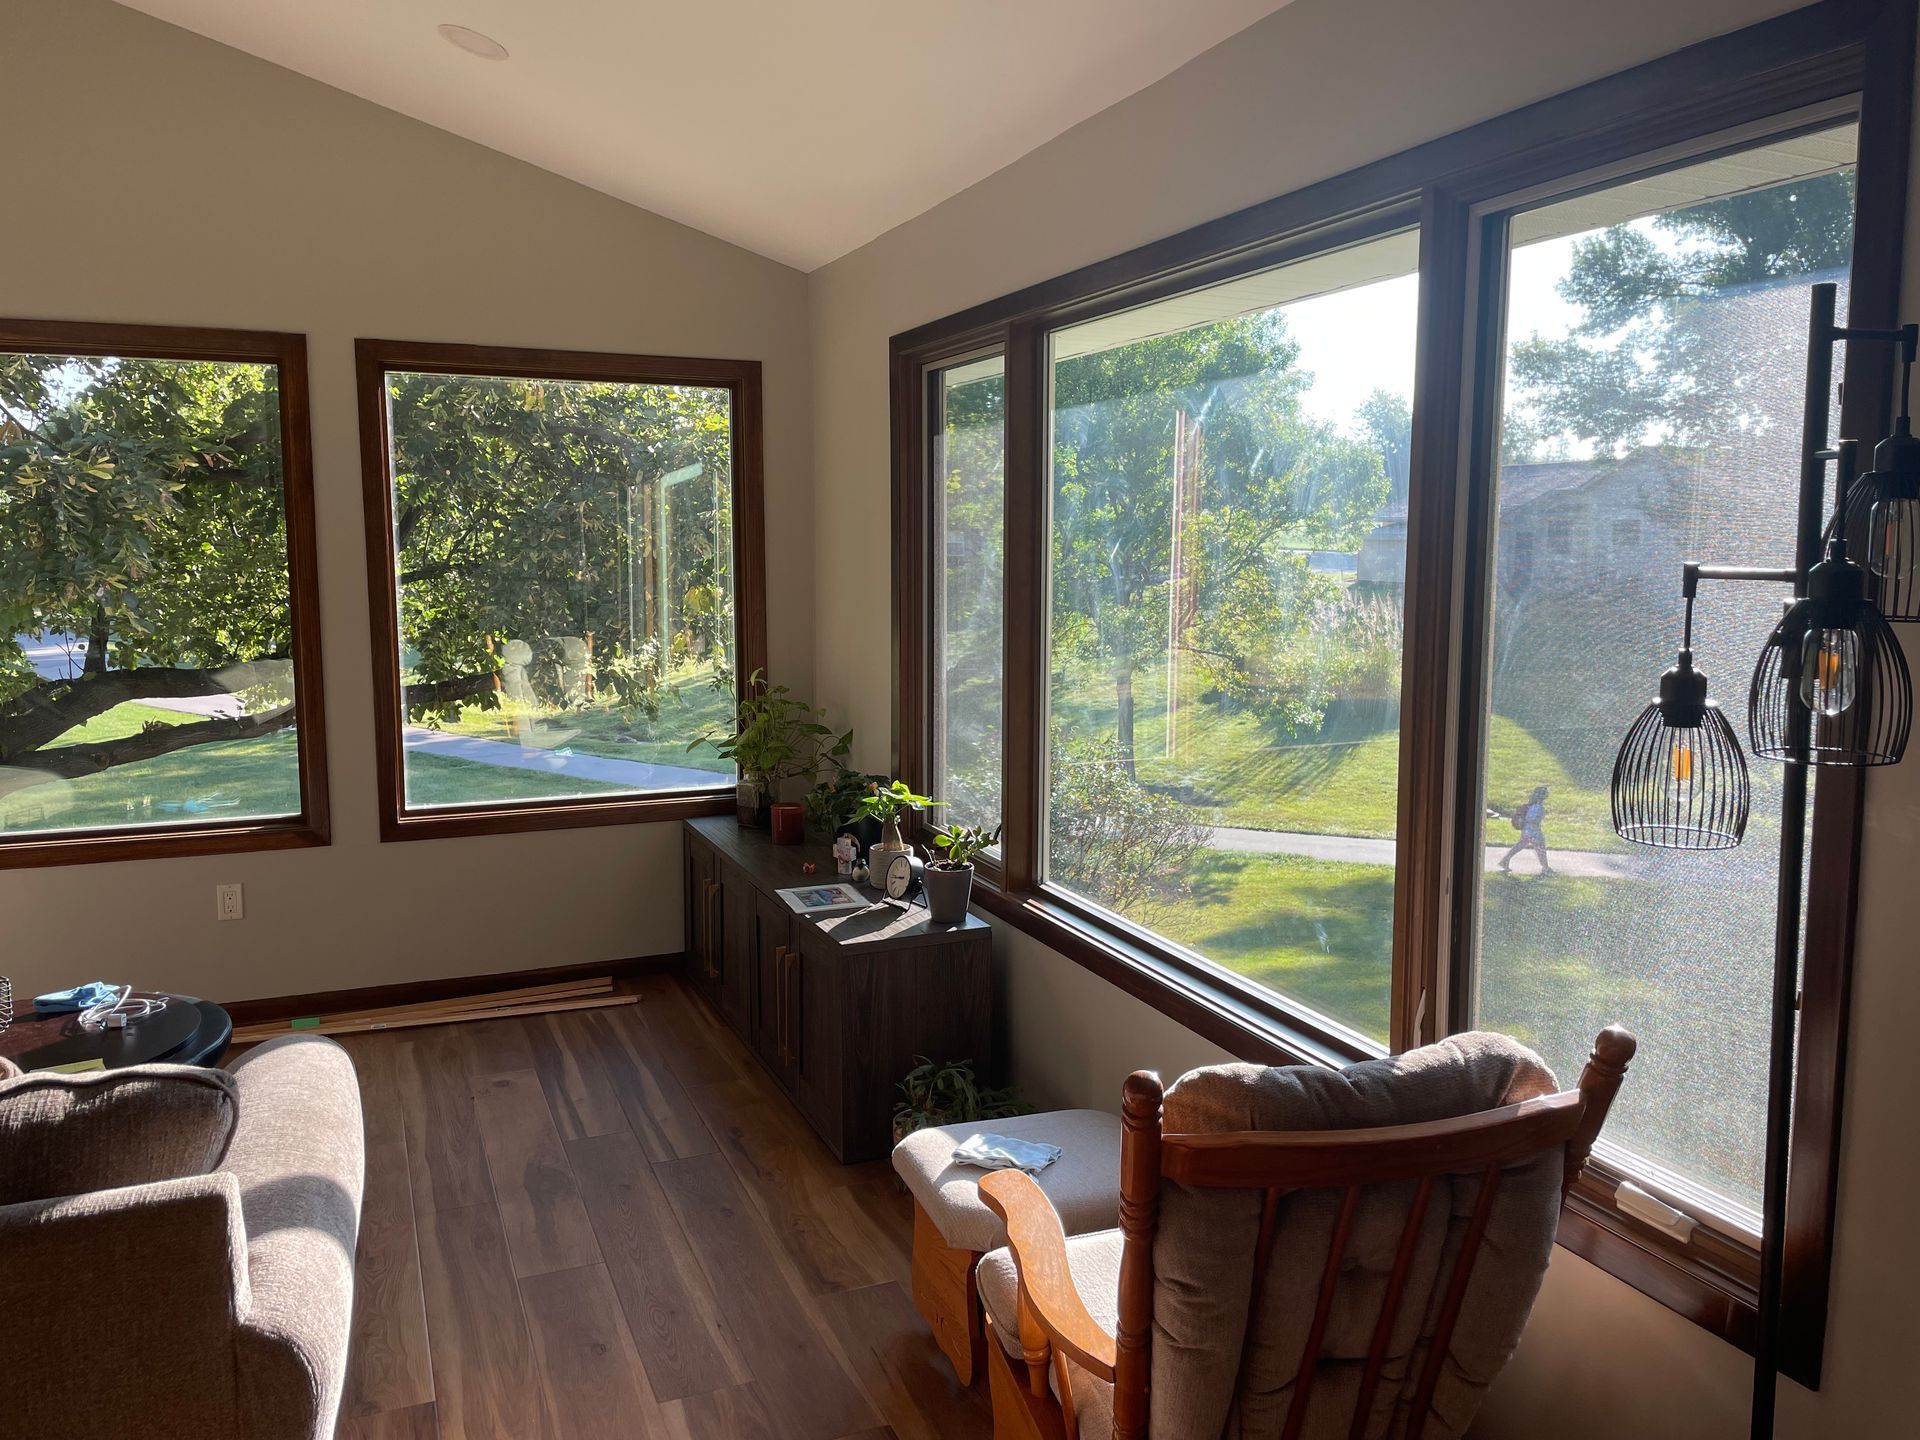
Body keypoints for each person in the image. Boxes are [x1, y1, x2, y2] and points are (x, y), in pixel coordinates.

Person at [1499, 784, 1554, 875]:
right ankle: (1545, 868)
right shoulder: (1537, 806)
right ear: (1543, 796)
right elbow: (1531, 819)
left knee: (1520, 846)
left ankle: (1505, 860)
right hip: (1533, 830)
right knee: (1540, 848)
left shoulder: (1533, 805)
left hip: (1527, 830)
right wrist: (1535, 823)